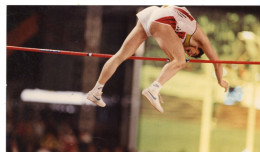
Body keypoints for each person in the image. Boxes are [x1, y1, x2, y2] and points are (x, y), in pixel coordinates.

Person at [86, 5, 229, 113]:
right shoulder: (202, 39)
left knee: (121, 55)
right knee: (180, 61)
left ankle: (96, 91)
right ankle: (153, 90)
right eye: (190, 51)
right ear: (198, 48)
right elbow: (217, 63)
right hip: (163, 17)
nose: (186, 51)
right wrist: (220, 81)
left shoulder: (184, 35)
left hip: (152, 13)